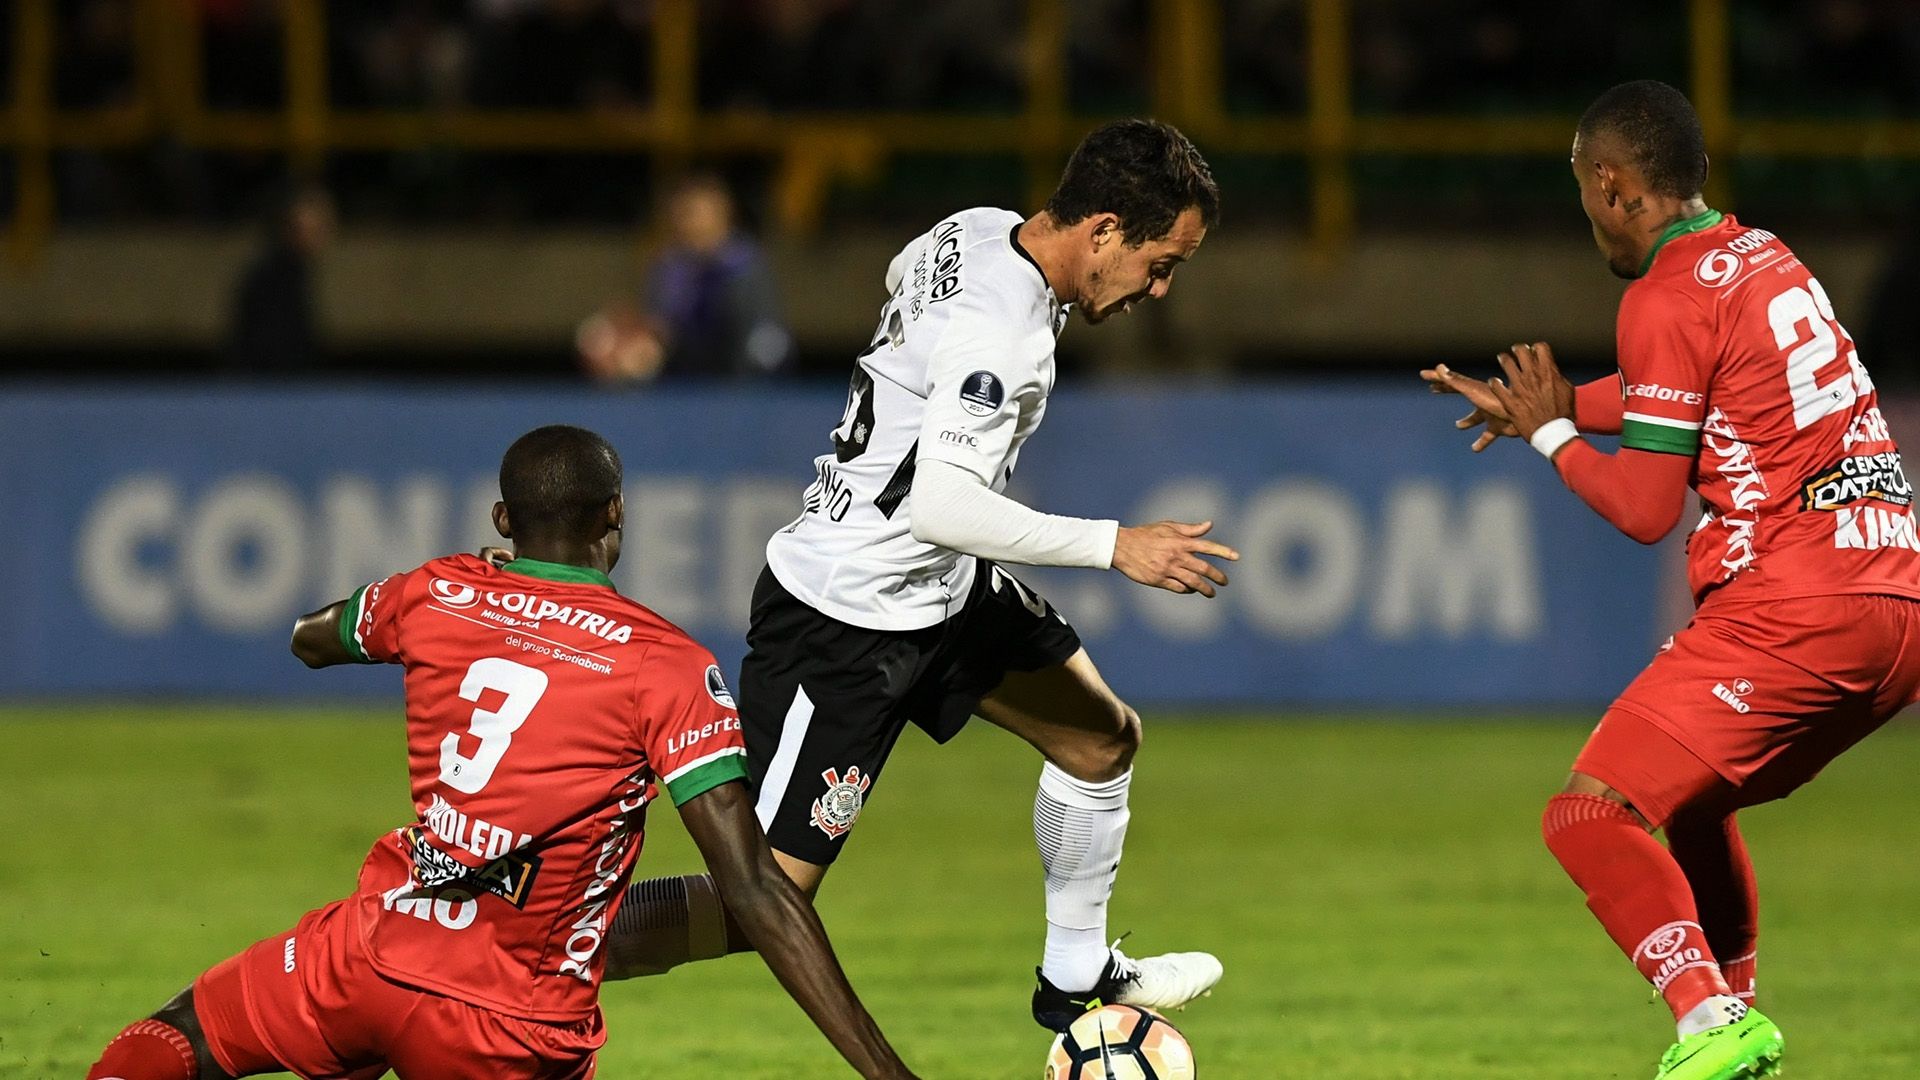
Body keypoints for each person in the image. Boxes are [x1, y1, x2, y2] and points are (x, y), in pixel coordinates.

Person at [600, 119, 1234, 1033]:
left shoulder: (975, 226)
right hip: (844, 613)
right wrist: (1116, 545)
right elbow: (937, 504)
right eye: (1160, 262)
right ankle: (528, 951)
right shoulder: (1002, 338)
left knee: (1101, 741)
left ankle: (1075, 980)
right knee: (759, 905)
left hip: (938, 589)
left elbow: (906, 276)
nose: (1161, 287)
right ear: (1101, 232)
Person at [86, 425, 919, 1080]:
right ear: (617, 516)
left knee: (176, 1036)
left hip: (373, 956)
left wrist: (460, 589)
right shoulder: (663, 664)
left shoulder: (438, 591)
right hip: (508, 1027)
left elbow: (310, 637)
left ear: (503, 522)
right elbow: (754, 891)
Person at [1424, 80, 1920, 1079]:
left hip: (1796, 606)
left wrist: (1553, 436)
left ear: (1614, 187)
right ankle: (1735, 1022)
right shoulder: (1764, 255)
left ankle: (1708, 1022)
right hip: (1897, 603)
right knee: (1689, 810)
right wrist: (1561, 400)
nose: (1586, 217)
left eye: (1582, 193)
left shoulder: (1660, 294)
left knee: (1588, 814)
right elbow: (1691, 390)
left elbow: (1647, 511)